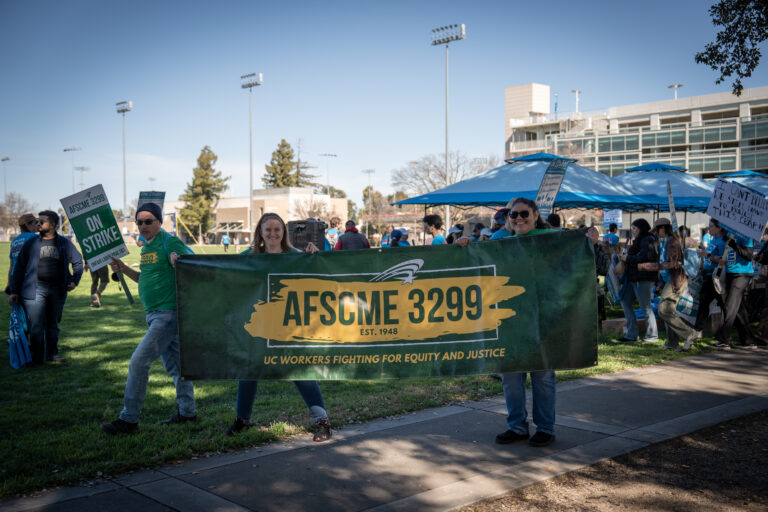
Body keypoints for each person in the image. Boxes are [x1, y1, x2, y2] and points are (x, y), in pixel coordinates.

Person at [226, 212, 332, 442]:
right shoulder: (249, 256)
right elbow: (221, 271)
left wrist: (315, 256)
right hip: (259, 323)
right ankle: (242, 419)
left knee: (300, 369)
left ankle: (322, 422)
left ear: (284, 232)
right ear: (260, 233)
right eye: (268, 230)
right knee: (249, 370)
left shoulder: (295, 256)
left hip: (288, 324)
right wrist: (181, 261)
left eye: (277, 229)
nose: (273, 234)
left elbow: (321, 274)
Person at [101, 203, 197, 434]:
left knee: (138, 362)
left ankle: (129, 419)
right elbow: (146, 278)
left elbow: (193, 261)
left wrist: (179, 260)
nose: (143, 226)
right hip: (154, 314)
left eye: (148, 221)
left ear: (159, 222)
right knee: (177, 368)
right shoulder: (146, 248)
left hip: (168, 315)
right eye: (140, 222)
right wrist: (124, 269)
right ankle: (188, 413)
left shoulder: (168, 241)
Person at [491, 198, 558, 447]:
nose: (518, 218)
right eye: (513, 214)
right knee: (510, 377)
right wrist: (464, 245)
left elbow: (579, 249)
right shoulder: (499, 241)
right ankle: (517, 426)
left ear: (536, 214)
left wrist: (591, 237)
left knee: (542, 376)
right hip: (508, 318)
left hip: (543, 318)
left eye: (523, 213)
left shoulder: (553, 238)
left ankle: (546, 428)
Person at [9, 211, 83, 364]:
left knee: (53, 324)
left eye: (42, 221)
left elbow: (77, 262)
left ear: (53, 224)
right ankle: (37, 357)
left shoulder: (64, 243)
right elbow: (19, 268)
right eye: (37, 221)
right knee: (36, 325)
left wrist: (74, 281)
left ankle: (52, 354)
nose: (38, 224)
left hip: (58, 290)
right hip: (34, 289)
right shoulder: (31, 243)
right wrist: (14, 291)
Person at [642, 219, 697, 351]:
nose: (655, 233)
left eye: (657, 230)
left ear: (663, 228)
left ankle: (690, 334)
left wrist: (650, 267)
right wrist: (661, 281)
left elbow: (672, 264)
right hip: (669, 280)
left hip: (676, 279)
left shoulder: (671, 242)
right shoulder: (665, 242)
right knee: (668, 310)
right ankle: (672, 343)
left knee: (664, 310)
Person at [713, 229, 758, 349]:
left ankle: (723, 340)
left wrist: (733, 244)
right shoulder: (729, 233)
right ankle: (748, 341)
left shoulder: (746, 234)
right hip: (730, 273)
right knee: (739, 309)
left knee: (729, 306)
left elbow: (748, 255)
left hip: (742, 274)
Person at [618, 219, 659, 343]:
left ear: (641, 228)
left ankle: (652, 336)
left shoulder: (648, 239)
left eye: (635, 228)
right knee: (625, 301)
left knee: (645, 307)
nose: (633, 231)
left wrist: (627, 257)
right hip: (633, 277)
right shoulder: (640, 240)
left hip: (643, 278)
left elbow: (644, 257)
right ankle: (631, 334)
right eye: (632, 229)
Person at [694, 219, 727, 334]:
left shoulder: (723, 242)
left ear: (719, 228)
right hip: (707, 276)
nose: (709, 229)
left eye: (711, 226)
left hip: (716, 278)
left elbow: (723, 260)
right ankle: (696, 330)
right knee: (703, 304)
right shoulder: (713, 240)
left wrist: (707, 254)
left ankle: (727, 332)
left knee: (725, 306)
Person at [5, 213, 38, 295]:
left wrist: (9, 283)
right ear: (27, 224)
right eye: (35, 223)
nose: (37, 225)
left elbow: (12, 265)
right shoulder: (34, 238)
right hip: (30, 280)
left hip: (15, 280)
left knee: (17, 306)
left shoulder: (15, 241)